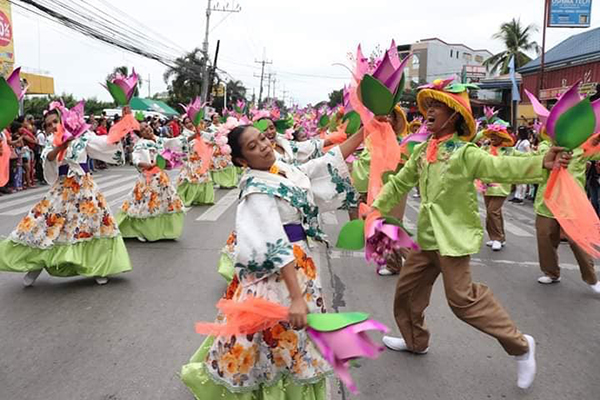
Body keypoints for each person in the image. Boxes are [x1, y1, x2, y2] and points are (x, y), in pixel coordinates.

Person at [371, 79, 571, 389]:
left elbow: (497, 167)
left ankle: (520, 345)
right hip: (427, 239)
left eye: (436, 107)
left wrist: (541, 162)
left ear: (454, 116)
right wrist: (375, 208)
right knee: (407, 293)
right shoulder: (424, 150)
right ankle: (415, 341)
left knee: (462, 300)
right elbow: (399, 182)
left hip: (452, 240)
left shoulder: (466, 153)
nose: (428, 112)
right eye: (428, 107)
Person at [181, 121, 366, 399]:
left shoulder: (281, 169)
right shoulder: (256, 190)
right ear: (243, 160)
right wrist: (294, 296)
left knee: (289, 339)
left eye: (263, 139)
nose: (264, 147)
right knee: (276, 341)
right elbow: (274, 245)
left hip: (300, 266)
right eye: (253, 147)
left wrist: (367, 129)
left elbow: (322, 165)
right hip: (279, 276)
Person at [0, 105, 132, 286]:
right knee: (45, 226)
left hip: (85, 190)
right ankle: (35, 266)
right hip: (62, 192)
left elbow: (106, 143)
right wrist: (61, 145)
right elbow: (49, 158)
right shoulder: (50, 142)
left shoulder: (82, 136)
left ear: (64, 120)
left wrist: (124, 124)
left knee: (94, 227)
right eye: (48, 124)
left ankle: (99, 267)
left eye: (56, 121)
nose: (52, 126)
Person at [533, 140, 600, 292]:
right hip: (547, 203)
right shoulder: (545, 146)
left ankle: (592, 279)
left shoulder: (583, 148)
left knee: (578, 243)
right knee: (545, 238)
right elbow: (538, 162)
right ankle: (551, 273)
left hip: (572, 204)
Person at [352, 105, 411, 275]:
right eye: (382, 115)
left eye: (390, 116)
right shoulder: (372, 140)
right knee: (380, 225)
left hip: (395, 188)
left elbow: (407, 167)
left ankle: (414, 259)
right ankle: (395, 264)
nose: (386, 119)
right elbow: (364, 164)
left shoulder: (402, 143)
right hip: (376, 188)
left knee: (389, 224)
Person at [116, 121, 187, 242]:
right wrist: (147, 165)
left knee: (164, 203)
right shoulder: (141, 144)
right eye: (143, 129)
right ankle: (143, 230)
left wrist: (191, 137)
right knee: (146, 205)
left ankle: (163, 231)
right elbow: (136, 158)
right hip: (148, 178)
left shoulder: (159, 140)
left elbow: (174, 142)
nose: (147, 129)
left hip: (161, 177)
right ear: (141, 134)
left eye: (148, 126)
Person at [480, 122, 517, 251]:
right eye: (491, 135)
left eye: (496, 135)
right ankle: (497, 237)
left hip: (501, 186)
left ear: (502, 136)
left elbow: (523, 158)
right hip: (487, 186)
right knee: (494, 213)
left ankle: (497, 238)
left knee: (492, 211)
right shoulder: (485, 149)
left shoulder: (508, 150)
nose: (493, 138)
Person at [176, 117, 215, 206]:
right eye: (187, 123)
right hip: (191, 159)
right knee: (189, 178)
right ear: (184, 125)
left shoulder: (199, 131)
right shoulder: (184, 134)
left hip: (200, 159)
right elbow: (182, 144)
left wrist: (211, 142)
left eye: (191, 121)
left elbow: (210, 137)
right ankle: (186, 198)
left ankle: (204, 199)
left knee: (203, 178)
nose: (189, 124)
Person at [510, 127, 531, 204]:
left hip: (523, 162)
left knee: (522, 181)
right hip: (517, 162)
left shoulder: (526, 142)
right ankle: (517, 196)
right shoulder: (519, 141)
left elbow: (529, 152)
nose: (517, 133)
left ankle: (521, 197)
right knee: (517, 180)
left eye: (518, 132)